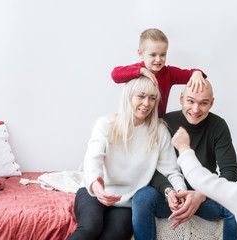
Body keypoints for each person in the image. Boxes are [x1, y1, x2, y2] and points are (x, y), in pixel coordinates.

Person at [67, 77, 187, 240]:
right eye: (141, 96)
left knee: (111, 236)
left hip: (126, 201)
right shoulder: (106, 124)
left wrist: (179, 193)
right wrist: (97, 187)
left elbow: (172, 171)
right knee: (90, 227)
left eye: (152, 98)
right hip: (95, 192)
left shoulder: (159, 131)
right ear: (128, 97)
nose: (147, 103)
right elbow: (92, 160)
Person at [132, 80, 237, 240]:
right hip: (169, 195)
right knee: (142, 198)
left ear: (212, 103)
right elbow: (149, 168)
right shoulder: (164, 123)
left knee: (236, 207)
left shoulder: (218, 126)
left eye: (203, 103)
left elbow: (230, 173)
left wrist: (201, 195)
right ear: (181, 98)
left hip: (203, 196)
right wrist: (169, 191)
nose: (196, 109)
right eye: (190, 101)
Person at [111, 28, 208, 116]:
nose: (158, 59)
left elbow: (191, 73)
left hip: (158, 123)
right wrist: (141, 71)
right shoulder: (137, 69)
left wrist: (197, 73)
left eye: (162, 55)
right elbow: (115, 75)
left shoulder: (169, 73)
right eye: (153, 55)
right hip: (135, 120)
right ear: (141, 53)